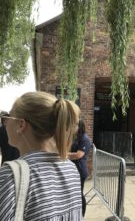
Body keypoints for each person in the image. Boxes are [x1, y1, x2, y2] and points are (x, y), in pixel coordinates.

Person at [0, 92, 82, 221]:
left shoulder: (10, 175)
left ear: (21, 124)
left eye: (8, 116)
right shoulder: (71, 169)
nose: (5, 122)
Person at [68, 120, 92, 217]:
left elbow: (79, 155)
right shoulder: (76, 137)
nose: (72, 127)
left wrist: (65, 155)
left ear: (79, 126)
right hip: (74, 170)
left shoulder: (85, 139)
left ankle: (82, 214)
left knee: (79, 194)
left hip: (80, 171)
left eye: (74, 125)